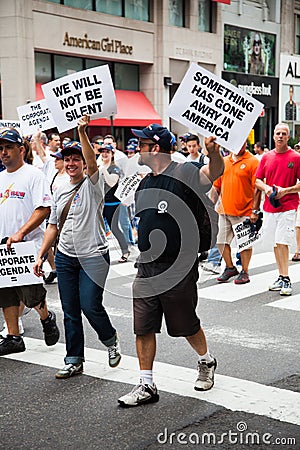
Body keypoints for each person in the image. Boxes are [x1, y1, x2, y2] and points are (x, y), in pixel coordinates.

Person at [118, 124, 224, 407]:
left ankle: (206, 361)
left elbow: (212, 173)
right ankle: (146, 384)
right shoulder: (145, 182)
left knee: (185, 324)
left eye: (140, 143)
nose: (135, 147)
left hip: (179, 264)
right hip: (147, 265)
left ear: (155, 148)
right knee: (143, 326)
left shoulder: (184, 171)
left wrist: (213, 154)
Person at [34, 116, 121, 379]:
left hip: (93, 256)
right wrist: (41, 256)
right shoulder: (59, 189)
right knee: (70, 309)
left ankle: (110, 339)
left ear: (84, 162)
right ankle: (74, 359)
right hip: (65, 257)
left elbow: (94, 164)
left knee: (90, 305)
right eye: (67, 159)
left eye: (76, 159)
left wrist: (82, 131)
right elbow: (52, 225)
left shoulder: (94, 183)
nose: (71, 163)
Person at [0, 128, 60, 356]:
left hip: (27, 246)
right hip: (3, 247)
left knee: (31, 293)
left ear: (21, 150)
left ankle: (46, 317)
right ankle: (14, 336)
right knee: (5, 291)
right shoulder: (0, 177)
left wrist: (21, 233)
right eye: (1, 148)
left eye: (9, 147)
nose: (4, 152)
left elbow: (44, 208)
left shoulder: (33, 175)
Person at [256, 123, 300, 295]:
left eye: (284, 133)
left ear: (288, 137)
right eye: (278, 133)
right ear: (273, 136)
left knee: (283, 242)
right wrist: (266, 188)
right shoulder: (266, 157)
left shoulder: (295, 157)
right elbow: (257, 180)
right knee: (276, 243)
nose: (280, 136)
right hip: (269, 207)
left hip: (288, 206)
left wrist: (286, 191)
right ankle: (281, 276)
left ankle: (286, 279)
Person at [213, 141, 261, 285]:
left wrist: (255, 211)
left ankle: (245, 272)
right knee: (220, 241)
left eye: (243, 142)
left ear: (246, 144)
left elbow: (257, 189)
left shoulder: (253, 161)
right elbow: (217, 187)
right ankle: (230, 267)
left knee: (245, 244)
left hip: (244, 212)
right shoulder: (224, 161)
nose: (240, 145)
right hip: (224, 210)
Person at [101, 144, 130, 262]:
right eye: (103, 152)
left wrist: (103, 170)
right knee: (98, 228)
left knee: (115, 228)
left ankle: (125, 251)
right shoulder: (101, 166)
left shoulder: (114, 168)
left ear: (112, 154)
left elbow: (112, 182)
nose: (104, 154)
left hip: (113, 204)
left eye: (107, 152)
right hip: (102, 203)